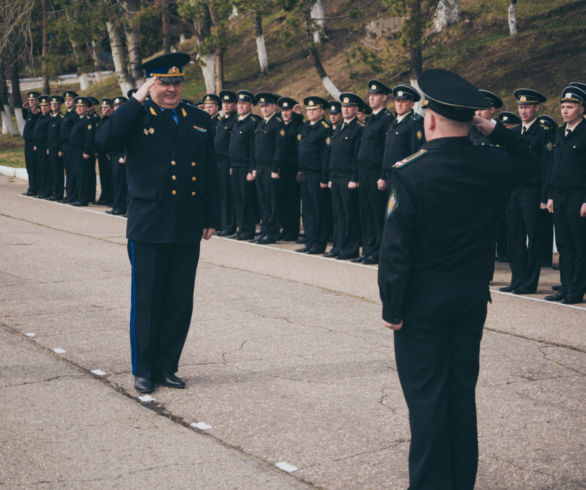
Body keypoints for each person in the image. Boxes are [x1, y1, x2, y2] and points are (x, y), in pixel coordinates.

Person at [378, 68, 536, 490]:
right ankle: (460, 481)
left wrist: (391, 306)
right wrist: (497, 131)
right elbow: (534, 163)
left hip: (421, 303)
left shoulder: (410, 172)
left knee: (427, 398)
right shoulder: (492, 164)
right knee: (460, 394)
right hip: (469, 297)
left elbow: (395, 249)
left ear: (429, 119)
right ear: (472, 121)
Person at [95, 52, 220, 394]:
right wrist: (134, 101)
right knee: (148, 300)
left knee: (179, 300)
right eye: (164, 82)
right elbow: (103, 141)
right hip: (149, 223)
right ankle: (144, 369)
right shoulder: (135, 116)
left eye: (177, 82)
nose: (172, 89)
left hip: (186, 222)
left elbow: (210, 171)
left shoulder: (197, 119)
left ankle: (167, 366)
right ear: (150, 84)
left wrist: (211, 216)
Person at [500, 88, 553, 294]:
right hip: (514, 190)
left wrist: (545, 194)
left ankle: (530, 282)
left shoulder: (543, 131)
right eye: (521, 107)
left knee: (534, 237)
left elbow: (547, 165)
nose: (523, 111)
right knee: (514, 236)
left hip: (532, 190)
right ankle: (517, 278)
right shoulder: (513, 133)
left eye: (527, 107)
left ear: (536, 108)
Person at [545, 85, 586, 304]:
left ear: (581, 109)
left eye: (570, 107)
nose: (565, 111)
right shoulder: (560, 132)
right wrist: (550, 195)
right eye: (562, 107)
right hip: (559, 195)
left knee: (580, 246)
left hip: (578, 196)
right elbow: (554, 166)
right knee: (563, 245)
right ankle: (566, 285)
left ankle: (576, 290)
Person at [355, 80, 394, 264]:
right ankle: (368, 249)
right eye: (370, 95)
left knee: (377, 214)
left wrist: (382, 175)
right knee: (366, 214)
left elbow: (385, 151)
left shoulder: (386, 119)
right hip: (363, 172)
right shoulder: (370, 119)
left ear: (384, 97)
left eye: (375, 95)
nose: (371, 97)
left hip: (375, 173)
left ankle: (379, 251)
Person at [324, 92, 364, 260]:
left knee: (349, 215)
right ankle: (339, 246)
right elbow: (333, 155)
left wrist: (354, 178)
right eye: (344, 107)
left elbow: (358, 156)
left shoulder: (358, 129)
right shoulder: (339, 127)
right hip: (337, 177)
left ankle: (350, 248)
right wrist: (331, 177)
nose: (346, 110)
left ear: (356, 109)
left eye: (349, 107)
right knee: (338, 214)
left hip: (348, 178)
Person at [297, 96, 331, 254]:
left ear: (321, 111)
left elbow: (325, 156)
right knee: (308, 210)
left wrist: (325, 178)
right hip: (305, 174)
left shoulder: (325, 128)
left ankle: (319, 243)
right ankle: (310, 241)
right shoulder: (305, 127)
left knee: (319, 210)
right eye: (308, 110)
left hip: (317, 176)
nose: (310, 113)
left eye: (314, 110)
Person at [228, 90, 260, 240]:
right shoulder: (236, 121)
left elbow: (253, 148)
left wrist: (251, 169)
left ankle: (248, 229)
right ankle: (240, 228)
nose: (241, 106)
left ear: (251, 106)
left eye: (244, 103)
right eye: (239, 103)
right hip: (234, 165)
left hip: (245, 166)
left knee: (247, 200)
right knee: (237, 199)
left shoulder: (253, 122)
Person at [380, 84, 425, 189]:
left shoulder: (414, 123)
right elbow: (387, 152)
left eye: (403, 101)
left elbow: (416, 153)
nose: (399, 104)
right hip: (390, 176)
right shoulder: (393, 123)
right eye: (397, 101)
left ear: (412, 104)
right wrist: (382, 176)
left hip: (404, 178)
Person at [253, 92, 282, 244]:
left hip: (270, 168)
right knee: (263, 200)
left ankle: (272, 232)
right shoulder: (262, 124)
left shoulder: (277, 123)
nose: (264, 109)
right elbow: (255, 147)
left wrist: (275, 169)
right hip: (260, 167)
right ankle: (265, 230)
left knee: (272, 202)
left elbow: (279, 148)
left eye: (267, 106)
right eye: (262, 106)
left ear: (274, 106)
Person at [275, 96, 303, 241]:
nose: (285, 113)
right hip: (282, 170)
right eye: (283, 110)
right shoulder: (280, 126)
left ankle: (293, 230)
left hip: (293, 169)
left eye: (288, 110)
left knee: (292, 202)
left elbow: (299, 149)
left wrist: (298, 116)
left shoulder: (297, 125)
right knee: (282, 201)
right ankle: (285, 228)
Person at [215, 90, 238, 236]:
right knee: (221, 195)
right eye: (223, 102)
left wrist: (230, 164)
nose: (225, 105)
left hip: (227, 162)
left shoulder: (235, 121)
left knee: (229, 196)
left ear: (234, 105)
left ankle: (230, 225)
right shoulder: (221, 120)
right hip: (218, 162)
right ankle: (222, 223)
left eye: (228, 103)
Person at [106, 96, 129, 216]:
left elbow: (129, 140)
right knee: (116, 182)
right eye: (115, 106)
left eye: (119, 106)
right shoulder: (114, 119)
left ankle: (124, 207)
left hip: (123, 156)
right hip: (114, 155)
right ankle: (117, 205)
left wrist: (124, 154)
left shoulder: (128, 119)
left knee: (123, 183)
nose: (117, 108)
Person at [59, 90, 79, 203]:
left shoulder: (75, 115)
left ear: (75, 102)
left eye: (70, 100)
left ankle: (73, 195)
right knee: (68, 172)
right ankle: (69, 194)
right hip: (65, 147)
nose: (67, 102)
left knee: (72, 172)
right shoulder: (67, 114)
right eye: (66, 100)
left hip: (71, 147)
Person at [46, 95, 65, 201]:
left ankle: (58, 193)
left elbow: (61, 135)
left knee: (58, 172)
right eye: (52, 104)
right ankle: (54, 192)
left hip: (57, 149)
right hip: (51, 148)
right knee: (52, 171)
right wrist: (48, 147)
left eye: (55, 104)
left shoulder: (61, 118)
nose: (53, 106)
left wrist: (60, 149)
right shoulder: (52, 118)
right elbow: (50, 135)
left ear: (59, 105)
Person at [96, 98, 114, 205]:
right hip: (101, 153)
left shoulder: (112, 120)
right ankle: (104, 195)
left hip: (109, 153)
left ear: (111, 108)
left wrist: (110, 151)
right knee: (103, 176)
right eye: (103, 108)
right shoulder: (102, 120)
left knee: (110, 176)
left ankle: (110, 197)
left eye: (106, 107)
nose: (104, 110)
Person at [22, 91, 40, 196]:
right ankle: (31, 187)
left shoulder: (37, 113)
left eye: (33, 100)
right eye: (30, 100)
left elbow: (35, 127)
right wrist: (24, 110)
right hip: (27, 143)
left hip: (33, 144)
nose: (32, 102)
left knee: (34, 166)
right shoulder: (30, 112)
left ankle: (34, 188)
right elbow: (27, 120)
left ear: (38, 100)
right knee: (29, 166)